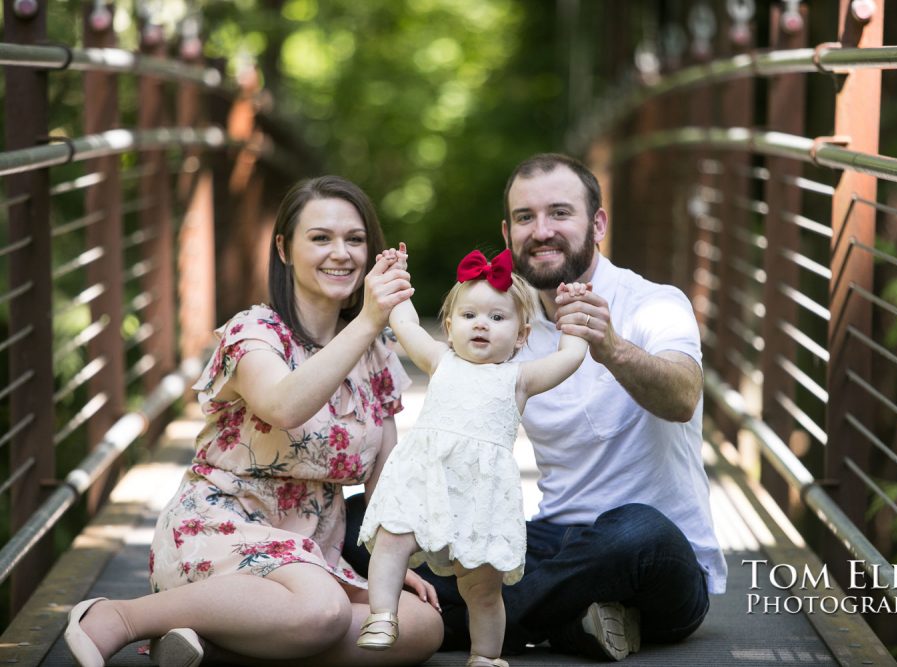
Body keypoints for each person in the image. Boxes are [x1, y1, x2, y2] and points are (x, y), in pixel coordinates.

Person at [345, 153, 727, 662]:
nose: (541, 231)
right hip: (550, 539)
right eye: (526, 218)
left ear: (598, 223)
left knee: (637, 530)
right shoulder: (505, 323)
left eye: (560, 213)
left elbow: (683, 398)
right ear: (507, 234)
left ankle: (451, 616)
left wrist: (608, 344)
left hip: (650, 556)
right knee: (362, 519)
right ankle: (572, 623)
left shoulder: (654, 302)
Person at [62, 176, 443, 667]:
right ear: (284, 248)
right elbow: (284, 405)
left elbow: (383, 484)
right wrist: (371, 319)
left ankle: (213, 642)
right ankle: (122, 616)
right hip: (220, 532)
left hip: (309, 556)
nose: (341, 253)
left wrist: (391, 564)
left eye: (354, 239)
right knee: (322, 613)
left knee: (416, 625)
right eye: (320, 238)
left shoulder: (374, 354)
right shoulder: (255, 331)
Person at [356, 244, 590, 667]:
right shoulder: (440, 360)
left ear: (521, 336)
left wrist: (571, 314)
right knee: (392, 538)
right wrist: (397, 274)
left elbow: (571, 356)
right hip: (426, 477)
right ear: (449, 326)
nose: (481, 325)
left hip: (481, 496)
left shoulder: (519, 379)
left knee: (482, 588)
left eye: (497, 318)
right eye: (469, 316)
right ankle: (383, 615)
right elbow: (404, 320)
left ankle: (485, 656)